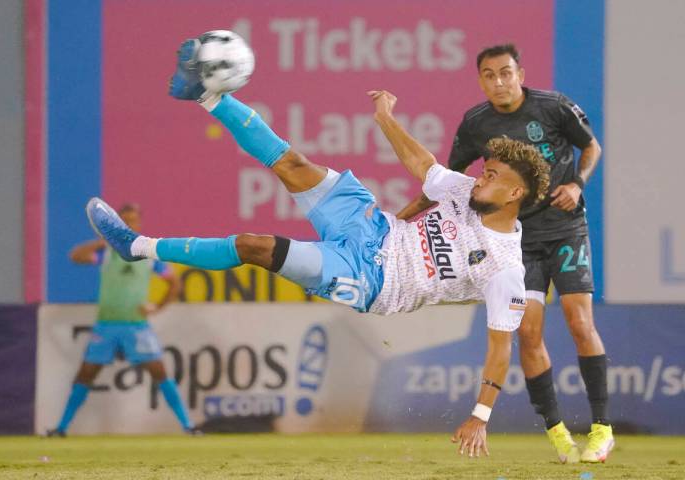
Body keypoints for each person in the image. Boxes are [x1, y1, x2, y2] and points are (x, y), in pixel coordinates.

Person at [85, 35, 550, 457]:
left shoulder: (506, 267)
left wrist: (481, 415)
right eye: (484, 170)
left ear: (514, 195)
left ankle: (138, 246)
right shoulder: (464, 191)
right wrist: (385, 117)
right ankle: (206, 94)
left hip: (372, 278)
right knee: (292, 162)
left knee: (254, 245)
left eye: (492, 177)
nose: (479, 177)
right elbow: (420, 161)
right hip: (372, 225)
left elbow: (499, 348)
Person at [398, 43, 612, 463]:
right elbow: (443, 180)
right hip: (516, 243)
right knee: (528, 334)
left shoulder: (553, 107)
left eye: (506, 73)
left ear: (520, 73)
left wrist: (577, 184)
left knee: (579, 320)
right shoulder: (477, 123)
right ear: (481, 80)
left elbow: (591, 148)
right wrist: (398, 220)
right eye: (489, 75)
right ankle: (558, 434)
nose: (499, 82)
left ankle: (602, 429)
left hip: (565, 228)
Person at [47, 203, 199, 436]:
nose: (128, 224)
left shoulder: (147, 255)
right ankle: (61, 428)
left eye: (132, 220)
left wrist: (157, 308)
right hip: (106, 326)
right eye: (123, 220)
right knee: (86, 374)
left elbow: (174, 282)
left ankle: (188, 426)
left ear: (139, 223)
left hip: (136, 326)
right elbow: (76, 256)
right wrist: (104, 239)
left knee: (159, 372)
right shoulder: (106, 252)